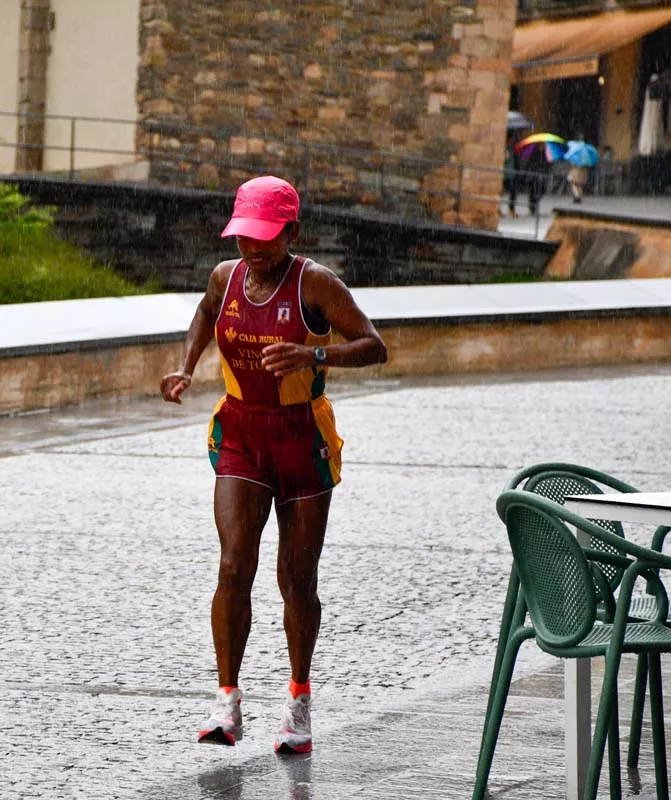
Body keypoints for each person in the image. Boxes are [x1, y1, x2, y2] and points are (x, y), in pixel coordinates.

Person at [159, 176, 387, 753]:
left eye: (265, 238)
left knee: (296, 578)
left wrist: (313, 352)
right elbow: (206, 314)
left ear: (291, 231)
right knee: (234, 564)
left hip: (301, 439)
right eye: (245, 238)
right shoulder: (224, 276)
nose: (253, 250)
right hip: (240, 432)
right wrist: (186, 366)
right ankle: (227, 703)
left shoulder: (316, 283)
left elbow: (374, 345)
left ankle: (299, 701)